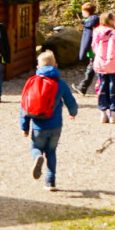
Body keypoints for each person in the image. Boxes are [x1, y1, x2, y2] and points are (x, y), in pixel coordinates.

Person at [19, 49, 79, 190]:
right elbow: (71, 102)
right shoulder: (61, 84)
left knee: (35, 147)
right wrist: (73, 113)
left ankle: (38, 157)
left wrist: (24, 127)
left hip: (38, 126)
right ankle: (50, 182)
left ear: (38, 67)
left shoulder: (32, 83)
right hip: (56, 126)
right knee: (51, 152)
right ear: (56, 66)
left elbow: (24, 106)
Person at [76, 2, 100, 95]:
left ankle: (83, 87)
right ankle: (82, 87)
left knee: (94, 68)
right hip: (96, 48)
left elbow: (87, 39)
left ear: (86, 11)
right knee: (92, 68)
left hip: (93, 49)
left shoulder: (89, 24)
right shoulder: (95, 22)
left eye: (83, 11)